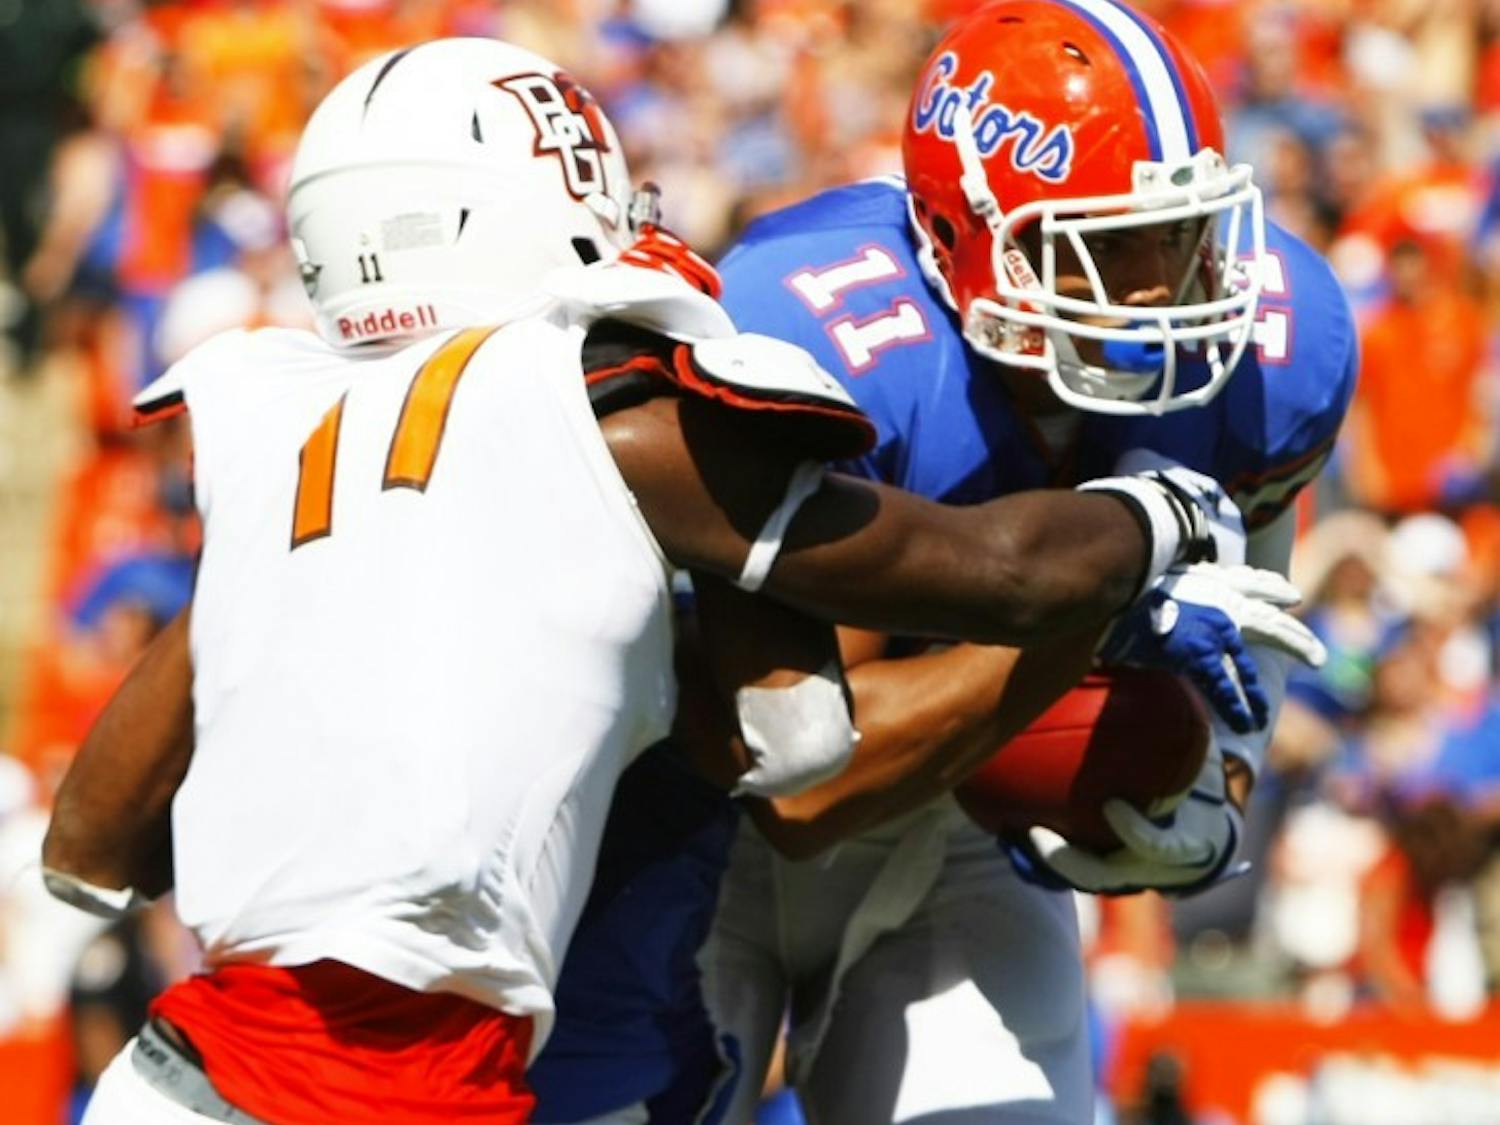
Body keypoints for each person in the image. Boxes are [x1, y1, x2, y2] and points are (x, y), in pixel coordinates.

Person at [38, 37, 1302, 1125]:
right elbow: (816, 728)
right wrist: (1152, 528)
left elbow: (91, 849)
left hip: (177, 1075)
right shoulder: (625, 428)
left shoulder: (272, 420)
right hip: (403, 1089)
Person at [694, 2, 1358, 1122]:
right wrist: (1090, 615)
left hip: (958, 838)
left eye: (1179, 234)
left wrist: (1215, 779)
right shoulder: (826, 338)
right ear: (964, 236)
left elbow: (1250, 596)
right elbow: (804, 783)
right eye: (1105, 243)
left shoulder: (1264, 354)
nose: (1160, 286)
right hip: (698, 828)